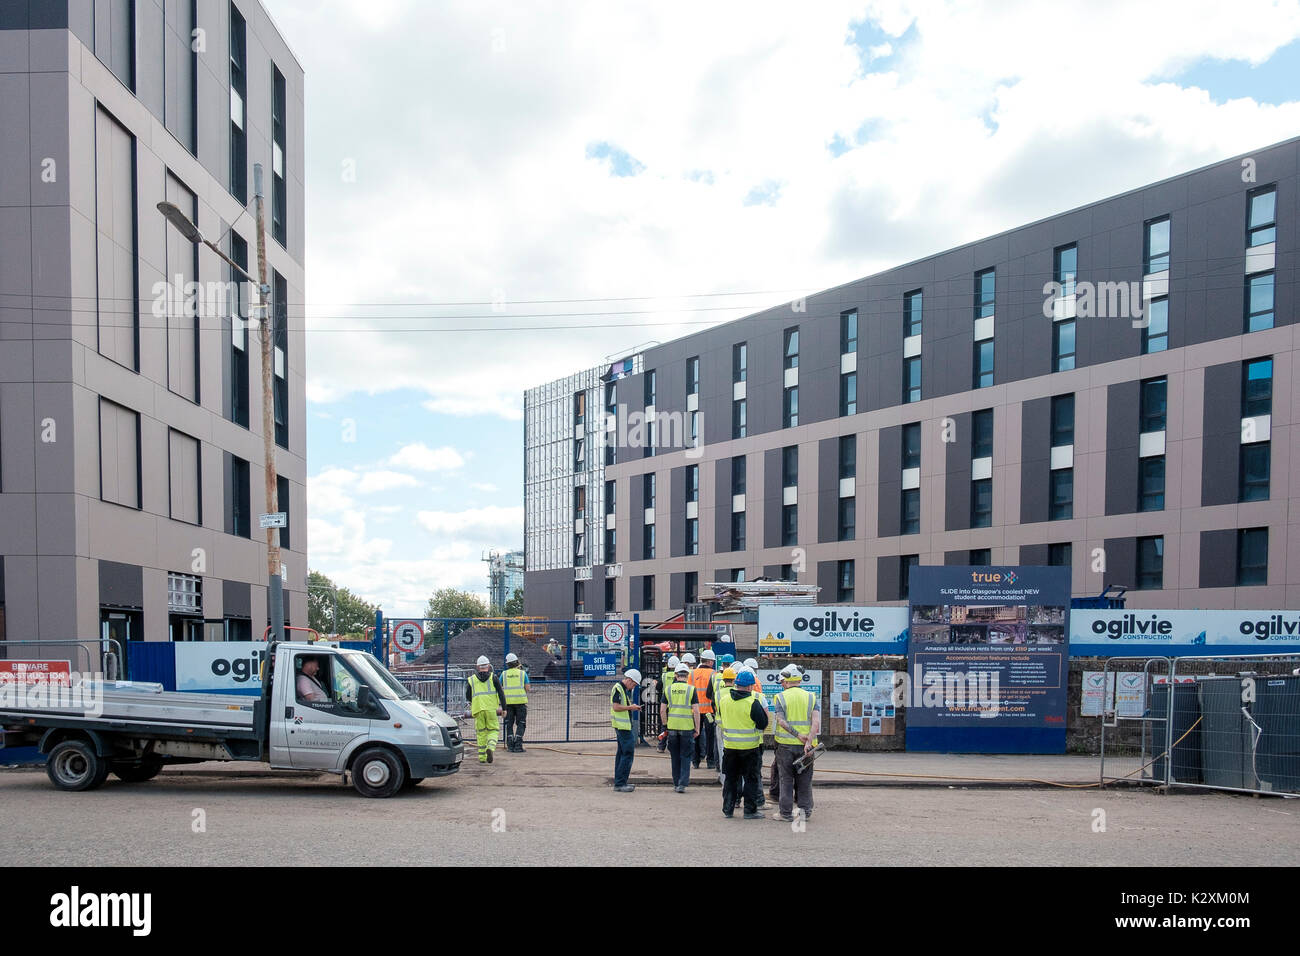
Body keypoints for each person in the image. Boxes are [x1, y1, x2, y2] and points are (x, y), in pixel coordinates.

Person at [770, 664, 820, 823]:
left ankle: (785, 813)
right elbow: (816, 722)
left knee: (786, 779)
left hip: (785, 746)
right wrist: (808, 741)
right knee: (805, 780)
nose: (782, 684)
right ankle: (805, 812)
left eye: (783, 681)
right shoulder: (811, 697)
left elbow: (781, 721)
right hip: (807, 747)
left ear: (786, 680)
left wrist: (798, 735)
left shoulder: (781, 697)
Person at [716, 670, 769, 819]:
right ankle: (750, 811)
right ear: (750, 686)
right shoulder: (752, 702)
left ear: (736, 683)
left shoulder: (724, 700)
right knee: (751, 780)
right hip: (749, 749)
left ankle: (728, 809)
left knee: (731, 780)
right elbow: (763, 723)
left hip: (730, 747)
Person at [661, 662, 700, 793]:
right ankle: (682, 784)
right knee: (685, 756)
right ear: (687, 675)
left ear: (676, 675)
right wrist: (697, 728)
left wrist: (665, 726)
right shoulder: (691, 689)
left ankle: (676, 782)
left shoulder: (668, 690)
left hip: (672, 728)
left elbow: (662, 710)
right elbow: (696, 711)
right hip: (687, 728)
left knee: (675, 756)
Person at [465, 655, 506, 764]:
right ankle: (491, 747)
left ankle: (482, 758)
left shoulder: (472, 679)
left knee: (481, 733)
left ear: (477, 667)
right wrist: (504, 708)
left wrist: (474, 701)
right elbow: (501, 693)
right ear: (488, 665)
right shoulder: (494, 677)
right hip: (491, 709)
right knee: (493, 730)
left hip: (478, 709)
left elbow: (468, 696)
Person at [610, 668, 642, 792]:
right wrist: (631, 707)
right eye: (633, 684)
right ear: (629, 680)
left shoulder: (623, 689)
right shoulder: (618, 689)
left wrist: (632, 707)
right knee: (627, 754)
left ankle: (619, 781)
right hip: (622, 727)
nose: (633, 687)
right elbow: (616, 707)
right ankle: (620, 783)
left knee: (622, 754)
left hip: (622, 726)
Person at [689, 649, 718, 770]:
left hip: (695, 711)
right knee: (711, 737)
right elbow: (715, 693)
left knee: (695, 734)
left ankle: (695, 761)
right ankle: (710, 761)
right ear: (710, 661)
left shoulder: (692, 673)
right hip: (709, 712)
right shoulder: (714, 674)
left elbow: (689, 691)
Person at [501, 652, 530, 752]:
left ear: (507, 664)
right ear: (517, 662)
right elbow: (527, 688)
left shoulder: (504, 674)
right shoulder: (523, 673)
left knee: (509, 724)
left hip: (507, 703)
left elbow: (499, 688)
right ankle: (518, 746)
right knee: (521, 723)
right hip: (520, 703)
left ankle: (510, 746)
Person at [657, 655, 680, 751]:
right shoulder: (679, 676)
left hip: (665, 703)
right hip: (676, 704)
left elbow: (658, 687)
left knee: (664, 725)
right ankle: (673, 746)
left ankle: (661, 746)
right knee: (675, 726)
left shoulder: (664, 675)